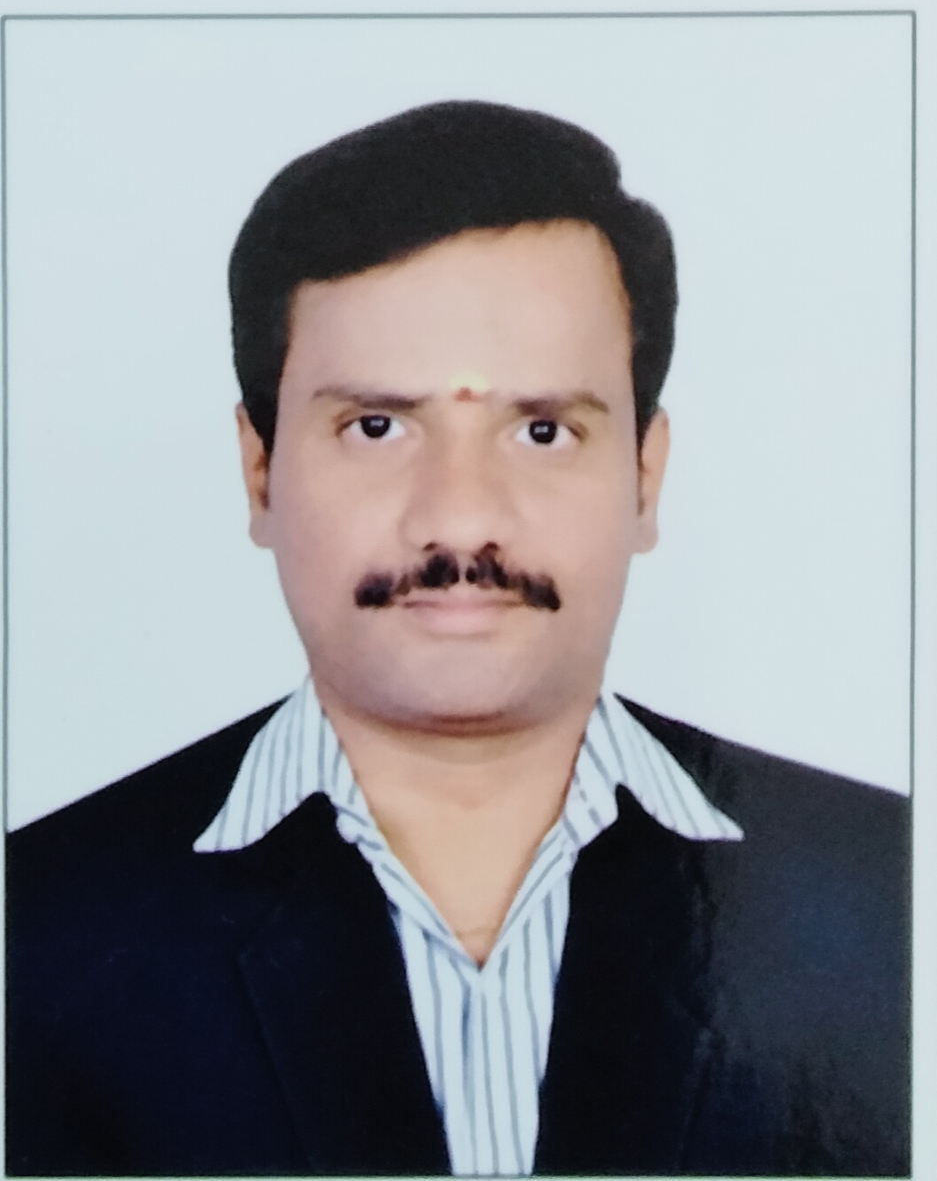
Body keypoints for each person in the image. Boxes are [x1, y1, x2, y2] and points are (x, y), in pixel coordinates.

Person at [5, 100, 908, 1177]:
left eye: (542, 430)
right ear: (259, 472)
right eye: (376, 426)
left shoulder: (897, 904)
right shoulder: (34, 933)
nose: (461, 517)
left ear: (644, 474)